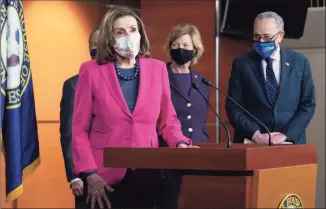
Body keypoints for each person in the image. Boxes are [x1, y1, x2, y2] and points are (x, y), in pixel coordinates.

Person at [72, 6, 197, 209]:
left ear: (140, 33)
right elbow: (79, 128)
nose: (127, 36)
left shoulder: (157, 69)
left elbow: (168, 121)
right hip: (103, 177)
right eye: (119, 32)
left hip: (146, 173)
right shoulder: (91, 71)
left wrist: (181, 143)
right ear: (108, 38)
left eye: (132, 29)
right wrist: (89, 174)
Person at [225, 11, 316, 145]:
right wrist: (256, 135)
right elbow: (234, 107)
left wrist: (285, 135)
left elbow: (308, 104)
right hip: (253, 143)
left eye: (267, 37)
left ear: (280, 36)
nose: (261, 42)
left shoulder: (299, 62)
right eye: (257, 36)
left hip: (290, 144)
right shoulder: (242, 64)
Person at [157, 24, 209, 209]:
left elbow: (199, 119)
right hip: (167, 155)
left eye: (186, 46)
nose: (180, 49)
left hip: (198, 153)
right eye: (176, 44)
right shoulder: (158, 75)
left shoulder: (201, 81)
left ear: (195, 49)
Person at [59, 26, 100, 206]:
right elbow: (69, 133)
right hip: (86, 173)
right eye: (94, 44)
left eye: (102, 43)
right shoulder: (74, 84)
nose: (97, 48)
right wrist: (74, 176)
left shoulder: (127, 82)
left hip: (120, 173)